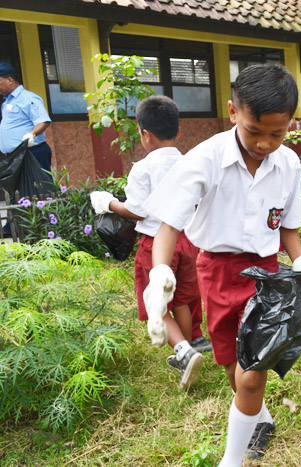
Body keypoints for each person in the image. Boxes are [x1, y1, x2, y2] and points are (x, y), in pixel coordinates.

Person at [141, 64, 301, 466]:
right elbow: (169, 224)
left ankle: (231, 460)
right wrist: (159, 273)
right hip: (216, 271)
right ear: (233, 112)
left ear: (290, 124)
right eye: (254, 131)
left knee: (254, 369)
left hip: (267, 275)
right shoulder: (205, 159)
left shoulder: (288, 164)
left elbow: (289, 228)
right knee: (230, 363)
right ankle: (259, 417)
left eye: (276, 134)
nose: (264, 144)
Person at [89, 95, 210, 389]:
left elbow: (138, 210)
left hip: (156, 246)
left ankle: (183, 351)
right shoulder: (190, 163)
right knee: (181, 297)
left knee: (155, 302)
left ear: (144, 133)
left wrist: (109, 204)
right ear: (178, 131)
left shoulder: (142, 168)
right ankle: (193, 339)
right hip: (187, 241)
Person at [0, 62, 53, 171]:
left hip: (31, 153)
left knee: (38, 186)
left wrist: (32, 134)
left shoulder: (29, 98)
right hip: (13, 157)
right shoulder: (6, 102)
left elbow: (43, 121)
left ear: (9, 80)